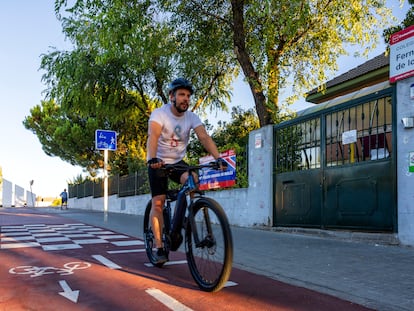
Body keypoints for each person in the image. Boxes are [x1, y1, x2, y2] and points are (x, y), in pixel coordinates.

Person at [146, 78, 226, 264]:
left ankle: (179, 223)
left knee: (193, 180)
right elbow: (153, 136)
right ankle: (159, 247)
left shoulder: (191, 117)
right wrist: (152, 159)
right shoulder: (160, 114)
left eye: (188, 96)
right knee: (158, 202)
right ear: (172, 96)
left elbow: (204, 137)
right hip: (158, 162)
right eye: (182, 94)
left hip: (177, 162)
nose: (186, 99)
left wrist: (218, 158)